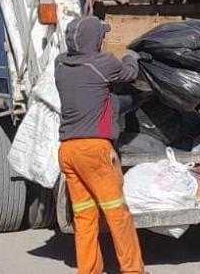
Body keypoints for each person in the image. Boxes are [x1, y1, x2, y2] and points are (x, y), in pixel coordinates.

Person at [55, 16, 145, 274]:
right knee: (118, 215)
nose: (103, 39)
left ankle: (89, 270)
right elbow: (130, 73)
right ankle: (133, 271)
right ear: (94, 41)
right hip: (94, 150)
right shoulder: (102, 63)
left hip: (67, 151)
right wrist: (130, 55)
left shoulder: (60, 65)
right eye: (101, 36)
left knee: (85, 216)